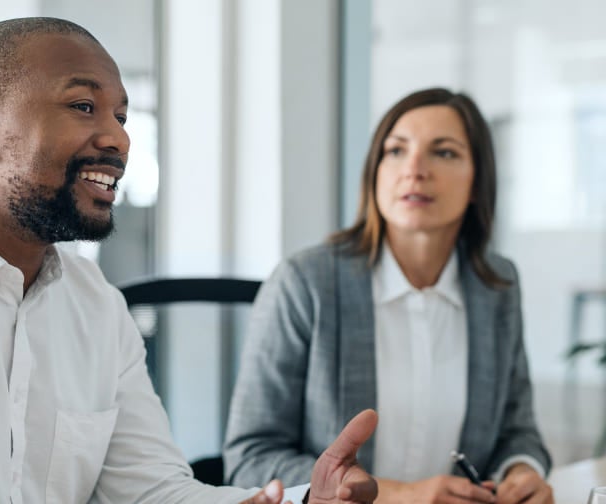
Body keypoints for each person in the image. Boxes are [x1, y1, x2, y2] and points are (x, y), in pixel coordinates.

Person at [0, 17, 378, 504]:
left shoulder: (94, 303)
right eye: (83, 107)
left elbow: (149, 492)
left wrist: (298, 502)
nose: (118, 139)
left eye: (121, 115)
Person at [223, 88, 554, 504]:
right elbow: (250, 456)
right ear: (375, 172)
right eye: (396, 151)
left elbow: (517, 428)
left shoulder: (497, 285)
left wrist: (521, 471)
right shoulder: (304, 282)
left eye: (444, 152)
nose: (414, 169)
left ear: (477, 181)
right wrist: (401, 495)